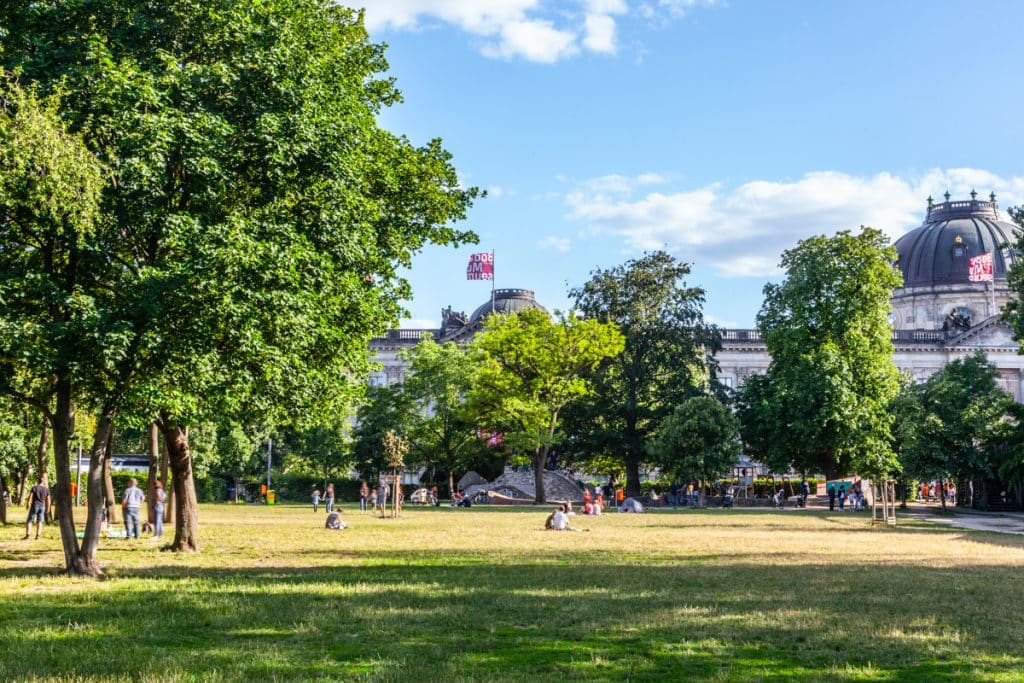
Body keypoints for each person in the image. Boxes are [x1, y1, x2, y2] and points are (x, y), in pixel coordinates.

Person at [23, 476, 50, 540]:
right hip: (42, 507)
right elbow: (48, 500)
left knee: (29, 520)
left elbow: (30, 496)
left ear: (38, 481)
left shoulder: (34, 488)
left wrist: (27, 504)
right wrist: (48, 509)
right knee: (40, 521)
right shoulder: (46, 489)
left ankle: (28, 536)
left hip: (35, 506)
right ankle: (38, 536)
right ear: (43, 482)